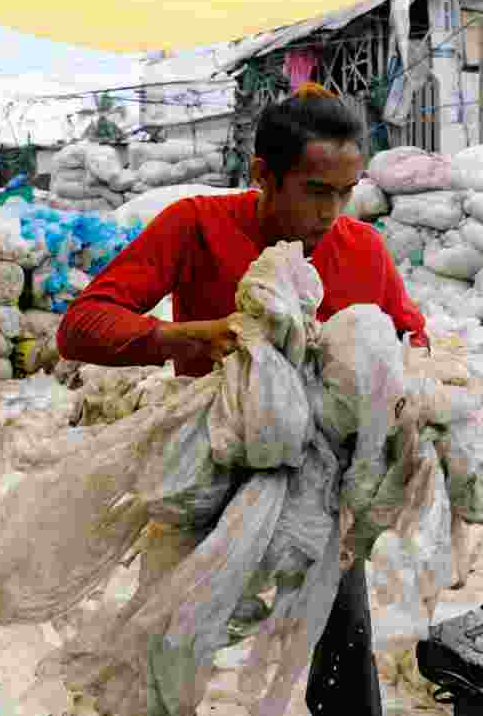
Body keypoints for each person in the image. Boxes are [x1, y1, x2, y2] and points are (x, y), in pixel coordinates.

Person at [57, 82, 428, 716]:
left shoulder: (361, 248)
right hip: (209, 467)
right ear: (263, 175)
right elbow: (82, 326)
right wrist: (196, 335)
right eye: (316, 191)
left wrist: (410, 380)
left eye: (346, 192)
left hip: (318, 482)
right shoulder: (196, 226)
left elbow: (409, 333)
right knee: (169, 644)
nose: (333, 212)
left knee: (342, 641)